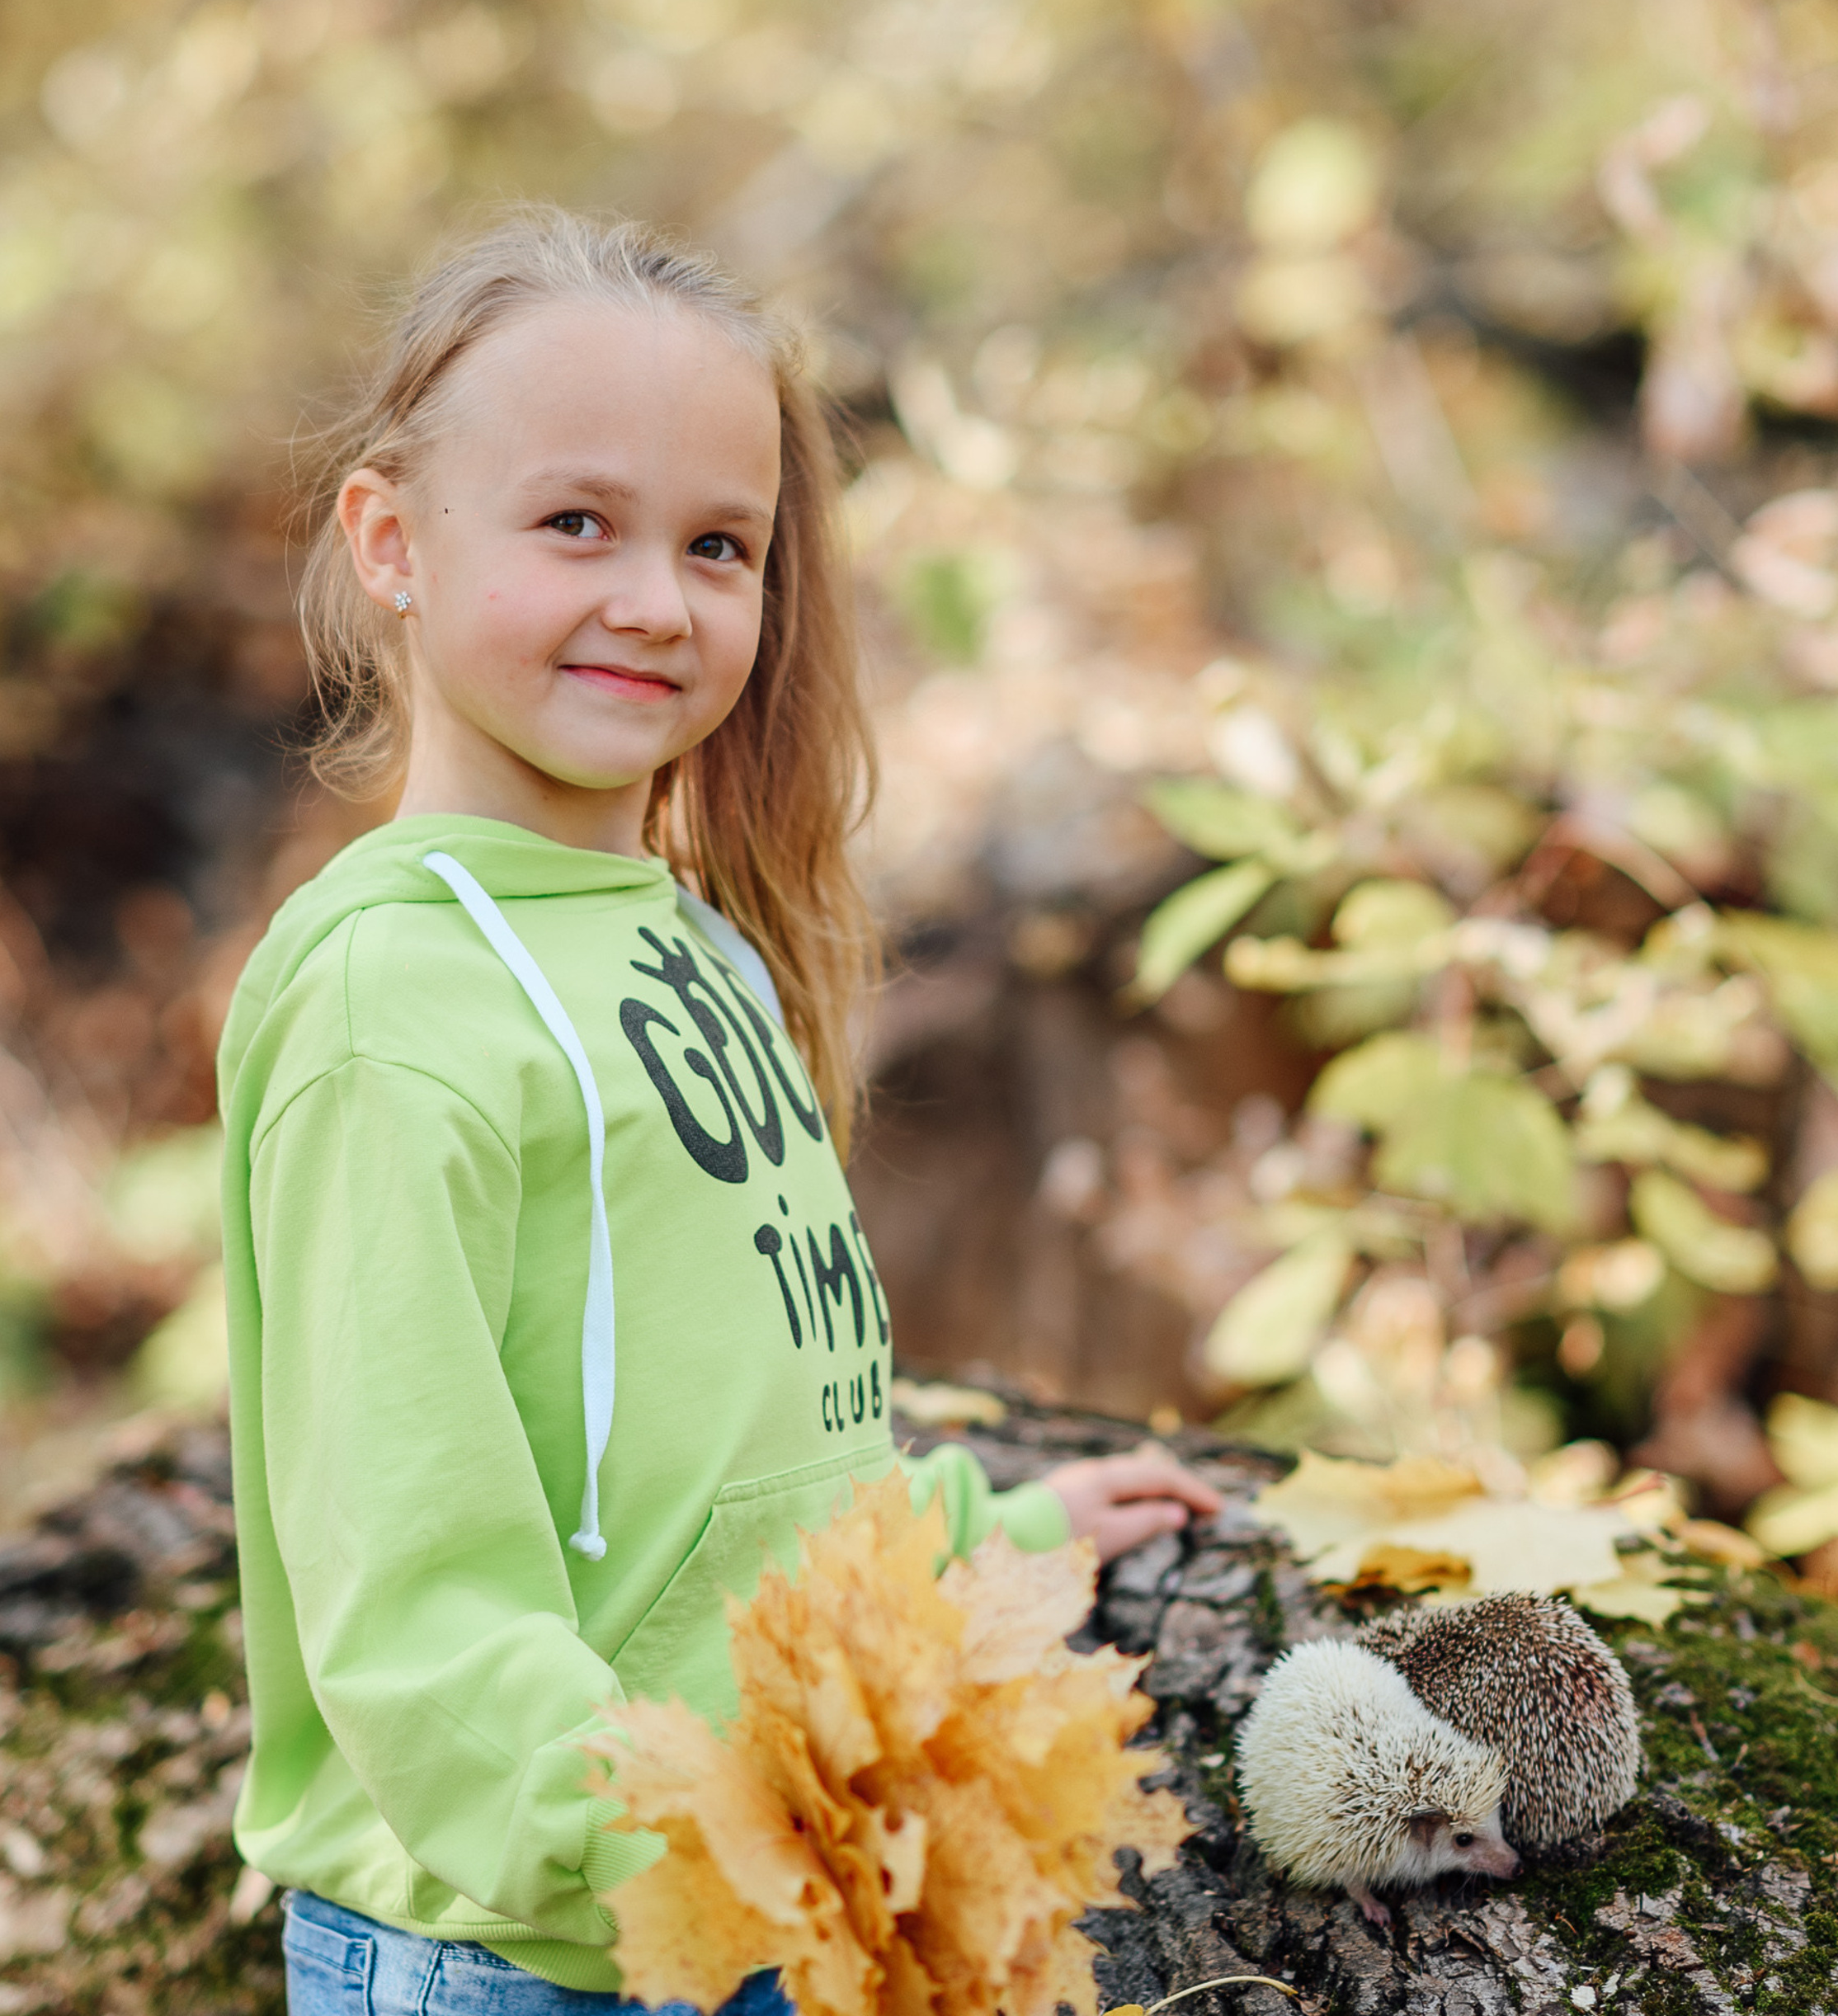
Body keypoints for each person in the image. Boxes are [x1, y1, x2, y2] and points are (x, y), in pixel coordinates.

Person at [217, 207, 1223, 2016]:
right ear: (393, 541)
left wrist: (978, 1545)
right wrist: (687, 1855)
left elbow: (754, 1462)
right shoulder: (393, 1004)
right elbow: (408, 1590)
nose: (656, 600)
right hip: (530, 1947)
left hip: (760, 1894)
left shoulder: (699, 950)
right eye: (572, 523)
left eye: (718, 545)